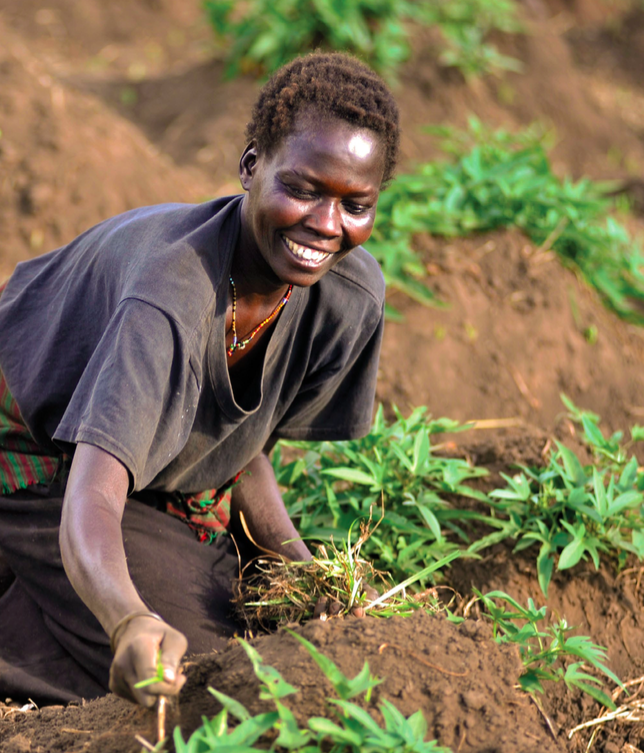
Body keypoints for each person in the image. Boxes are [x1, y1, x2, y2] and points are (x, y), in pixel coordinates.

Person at [0, 51, 400, 708]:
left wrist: (300, 573)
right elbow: (94, 497)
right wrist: (129, 619)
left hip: (133, 462)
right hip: (38, 443)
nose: (326, 225)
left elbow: (244, 447)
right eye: (302, 188)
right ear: (250, 167)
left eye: (354, 203)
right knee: (204, 670)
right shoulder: (170, 299)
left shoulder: (348, 298)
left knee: (252, 632)